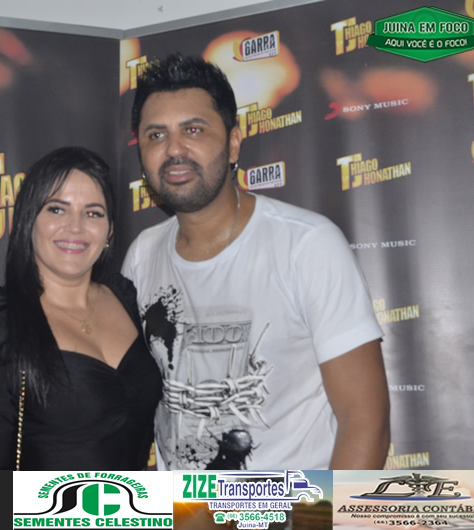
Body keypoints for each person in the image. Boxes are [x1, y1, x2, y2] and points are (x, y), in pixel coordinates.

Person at [123, 54, 390, 470]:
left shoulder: (306, 245)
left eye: (193, 130)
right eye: (156, 135)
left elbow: (366, 422)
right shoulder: (142, 255)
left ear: (233, 143)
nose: (174, 149)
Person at [0, 146, 162, 470]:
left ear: (110, 230)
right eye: (57, 209)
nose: (75, 227)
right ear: (29, 220)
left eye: (93, 213)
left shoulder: (127, 298)